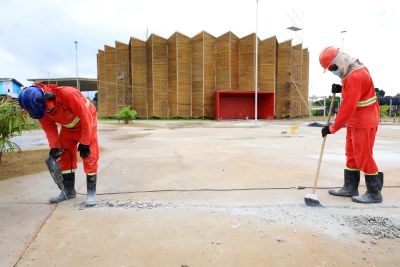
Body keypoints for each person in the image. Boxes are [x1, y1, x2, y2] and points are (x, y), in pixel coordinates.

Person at [319, 46, 383, 203]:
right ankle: (350, 187)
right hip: (356, 121)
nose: (333, 71)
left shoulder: (354, 76)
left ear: (339, 61)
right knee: (352, 154)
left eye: (333, 67)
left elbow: (347, 108)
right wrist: (342, 89)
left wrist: (332, 128)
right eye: (331, 69)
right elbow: (358, 91)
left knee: (363, 155)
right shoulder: (353, 71)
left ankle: (374, 192)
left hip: (364, 121)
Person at [18, 83, 99, 206]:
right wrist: (54, 147)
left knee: (89, 156)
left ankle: (91, 193)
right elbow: (49, 128)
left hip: (87, 123)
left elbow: (85, 116)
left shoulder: (68, 94)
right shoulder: (39, 107)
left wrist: (85, 142)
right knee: (64, 156)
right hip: (68, 128)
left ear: (47, 97)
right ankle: (68, 191)